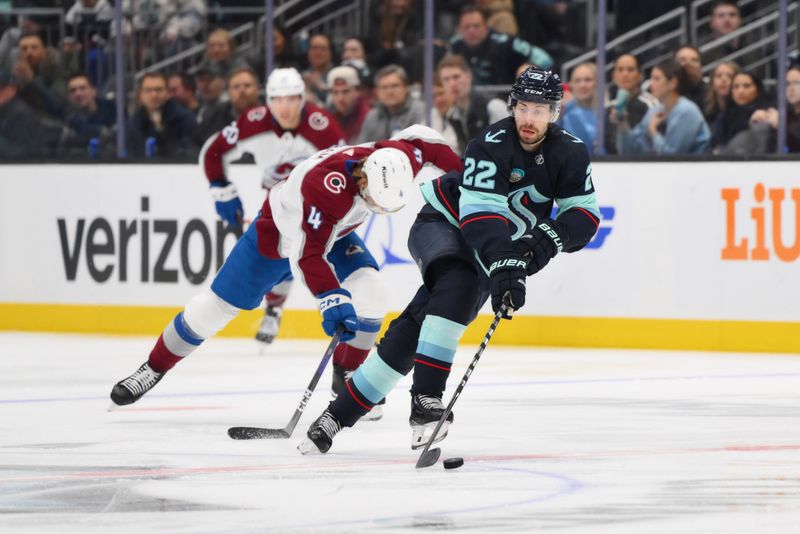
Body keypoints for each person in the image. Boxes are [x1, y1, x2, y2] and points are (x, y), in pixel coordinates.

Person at [300, 67, 600, 454]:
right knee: (457, 286)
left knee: (419, 324)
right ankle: (426, 401)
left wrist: (546, 240)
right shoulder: (490, 143)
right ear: (513, 106)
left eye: (539, 110)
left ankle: (336, 416)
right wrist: (508, 263)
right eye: (523, 108)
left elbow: (585, 214)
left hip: (492, 247)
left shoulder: (571, 152)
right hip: (444, 223)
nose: (528, 118)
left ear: (555, 112)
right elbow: (479, 217)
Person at [109, 125, 463, 420]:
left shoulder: (399, 158)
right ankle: (152, 367)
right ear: (364, 178)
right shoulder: (327, 187)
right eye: (373, 202)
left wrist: (469, 182)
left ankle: (346, 374)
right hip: (276, 235)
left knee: (372, 292)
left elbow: (426, 141)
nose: (375, 209)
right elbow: (307, 254)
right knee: (209, 311)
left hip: (333, 232)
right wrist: (330, 299)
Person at [198, 67, 344, 346]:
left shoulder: (322, 125)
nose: (285, 107)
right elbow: (213, 151)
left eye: (291, 99)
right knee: (279, 256)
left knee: (317, 258)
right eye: (277, 100)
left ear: (303, 99)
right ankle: (274, 309)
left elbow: (344, 169)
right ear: (268, 101)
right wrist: (220, 187)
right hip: (276, 202)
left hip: (318, 203)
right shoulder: (254, 121)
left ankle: (340, 315)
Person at [616, 60, 711, 155]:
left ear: (672, 83)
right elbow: (630, 150)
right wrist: (622, 123)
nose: (651, 84)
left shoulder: (687, 111)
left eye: (657, 79)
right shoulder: (655, 110)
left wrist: (653, 132)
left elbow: (673, 157)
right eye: (651, 78)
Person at [450, 5, 553, 86]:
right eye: (466, 27)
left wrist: (526, 72)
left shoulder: (506, 43)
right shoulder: (454, 46)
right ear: (460, 29)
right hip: (467, 103)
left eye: (476, 26)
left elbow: (545, 60)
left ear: (486, 27)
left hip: (504, 100)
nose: (471, 31)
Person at [127, 72, 196, 158]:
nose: (154, 95)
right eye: (148, 90)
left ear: (167, 93)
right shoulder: (133, 123)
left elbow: (189, 151)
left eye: (159, 90)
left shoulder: (184, 119)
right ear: (140, 94)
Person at [355, 64, 425, 143]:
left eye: (394, 86)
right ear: (377, 92)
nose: (389, 92)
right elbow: (361, 147)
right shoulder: (372, 116)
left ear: (406, 88)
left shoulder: (421, 111)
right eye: (384, 87)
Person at [603, 54, 658, 154]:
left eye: (630, 70)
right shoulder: (608, 108)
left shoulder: (651, 104)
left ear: (640, 75)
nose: (625, 74)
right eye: (620, 70)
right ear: (613, 76)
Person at [192, 66, 261, 145]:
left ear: (257, 89)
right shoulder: (212, 118)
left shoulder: (270, 115)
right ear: (229, 92)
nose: (242, 91)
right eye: (236, 87)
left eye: (247, 85)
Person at [437, 53, 490, 154]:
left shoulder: (492, 106)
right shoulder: (452, 115)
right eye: (446, 79)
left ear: (468, 76)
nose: (452, 84)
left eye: (456, 77)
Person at [64, 73, 117, 152]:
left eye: (82, 88)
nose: (78, 94)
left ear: (93, 91)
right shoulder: (68, 119)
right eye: (73, 91)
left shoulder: (112, 111)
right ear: (69, 97)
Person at [325, 65, 371, 144]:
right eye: (335, 92)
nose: (340, 98)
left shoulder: (369, 117)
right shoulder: (327, 117)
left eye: (345, 91)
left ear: (358, 92)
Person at [559, 62, 597, 154]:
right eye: (577, 80)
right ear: (571, 84)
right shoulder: (563, 110)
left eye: (588, 80)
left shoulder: (605, 112)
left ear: (597, 82)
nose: (582, 85)